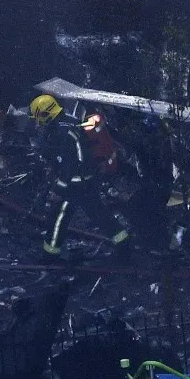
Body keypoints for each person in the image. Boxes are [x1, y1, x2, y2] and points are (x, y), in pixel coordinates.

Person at [29, 94, 130, 262]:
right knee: (98, 213)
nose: (38, 122)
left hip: (75, 184)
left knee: (59, 216)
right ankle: (124, 243)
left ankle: (50, 254)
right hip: (87, 180)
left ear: (47, 114)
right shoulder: (69, 121)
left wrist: (58, 188)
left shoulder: (63, 132)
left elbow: (69, 165)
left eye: (39, 117)